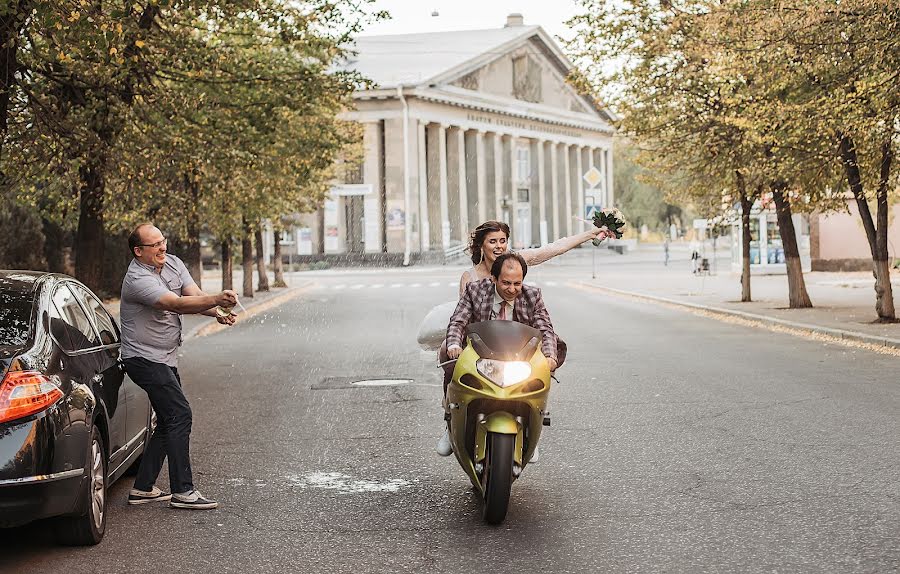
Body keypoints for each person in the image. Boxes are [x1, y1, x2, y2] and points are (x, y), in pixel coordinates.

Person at [120, 223, 238, 510]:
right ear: (139, 251)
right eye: (155, 244)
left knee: (168, 419)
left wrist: (218, 311)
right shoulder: (137, 279)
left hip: (164, 357)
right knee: (180, 414)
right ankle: (183, 492)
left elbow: (193, 295)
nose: (163, 247)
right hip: (143, 358)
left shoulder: (173, 263)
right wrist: (216, 299)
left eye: (164, 241)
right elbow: (175, 303)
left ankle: (143, 487)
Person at [437, 252, 560, 459]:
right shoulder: (475, 290)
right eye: (506, 283)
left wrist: (550, 356)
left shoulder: (533, 295)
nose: (512, 289)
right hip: (481, 355)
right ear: (493, 278)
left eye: (517, 283)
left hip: (519, 357)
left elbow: (545, 328)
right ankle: (451, 422)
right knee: (450, 362)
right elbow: (458, 320)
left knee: (541, 375)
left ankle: (530, 426)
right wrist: (454, 344)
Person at [458, 220, 616, 297]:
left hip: (511, 338)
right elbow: (462, 316)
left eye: (503, 241)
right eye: (492, 241)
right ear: (481, 245)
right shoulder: (469, 277)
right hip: (480, 340)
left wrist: (590, 234)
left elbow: (555, 248)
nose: (499, 246)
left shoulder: (517, 260)